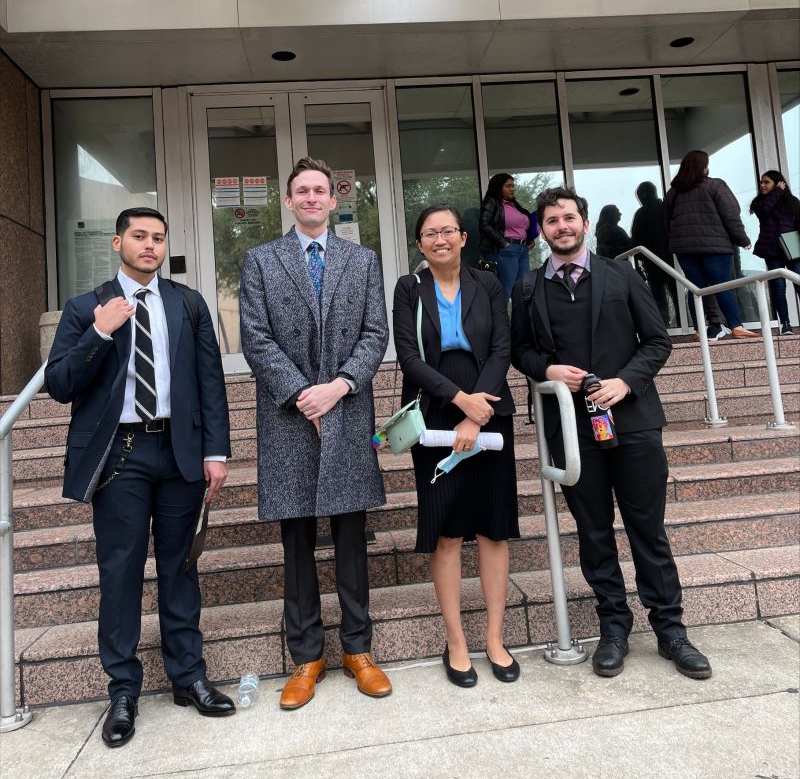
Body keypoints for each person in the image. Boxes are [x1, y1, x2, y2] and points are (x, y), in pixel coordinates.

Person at [45, 207, 234, 748]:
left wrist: (216, 451)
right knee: (120, 572)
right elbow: (60, 384)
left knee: (181, 568)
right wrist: (99, 332)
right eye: (139, 236)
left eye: (158, 238)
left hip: (179, 451)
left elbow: (210, 380)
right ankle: (123, 690)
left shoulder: (187, 303)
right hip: (120, 455)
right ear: (117, 243)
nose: (150, 245)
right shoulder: (85, 307)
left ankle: (188, 676)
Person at [510, 186, 711, 681]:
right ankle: (614, 629)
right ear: (542, 230)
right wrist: (548, 370)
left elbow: (658, 340)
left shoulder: (622, 273)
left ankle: (671, 631)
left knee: (648, 531)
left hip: (634, 421)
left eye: (568, 217)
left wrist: (626, 381)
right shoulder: (528, 287)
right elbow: (519, 351)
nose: (561, 226)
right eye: (552, 220)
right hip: (571, 429)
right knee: (594, 533)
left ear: (584, 222)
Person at [239, 156, 391, 710]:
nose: (310, 197)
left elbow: (375, 333)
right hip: (289, 418)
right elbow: (255, 336)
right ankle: (306, 656)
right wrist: (305, 394)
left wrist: (339, 387)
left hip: (346, 411)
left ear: (332, 199)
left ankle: (358, 649)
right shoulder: (261, 260)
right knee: (297, 541)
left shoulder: (362, 260)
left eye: (319, 190)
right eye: (301, 190)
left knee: (351, 536)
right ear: (288, 201)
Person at [393, 205, 520, 687]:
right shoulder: (409, 288)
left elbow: (502, 348)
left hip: (489, 405)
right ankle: (457, 641)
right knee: (446, 531)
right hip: (434, 409)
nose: (440, 239)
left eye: (448, 231)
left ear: (464, 238)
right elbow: (408, 357)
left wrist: (475, 409)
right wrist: (459, 401)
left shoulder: (487, 283)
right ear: (420, 244)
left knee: (492, 529)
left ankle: (494, 638)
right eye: (430, 233)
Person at [664, 149, 758, 339]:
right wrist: (742, 239)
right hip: (715, 247)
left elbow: (667, 221)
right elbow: (730, 215)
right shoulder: (715, 185)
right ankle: (736, 326)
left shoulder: (673, 192)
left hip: (685, 249)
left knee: (696, 289)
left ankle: (699, 330)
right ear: (703, 167)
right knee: (721, 286)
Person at [750, 170, 800, 335]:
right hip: (772, 251)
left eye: (767, 182)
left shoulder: (792, 202)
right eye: (761, 182)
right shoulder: (759, 203)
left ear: (778, 182)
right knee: (778, 287)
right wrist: (777, 191)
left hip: (792, 249)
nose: (762, 185)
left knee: (799, 283)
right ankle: (785, 323)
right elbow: (765, 210)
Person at [479, 173, 538, 301]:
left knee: (523, 293)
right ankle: (501, 315)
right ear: (498, 187)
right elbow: (484, 224)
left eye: (513, 186)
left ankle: (520, 316)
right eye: (508, 186)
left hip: (522, 251)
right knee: (504, 293)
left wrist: (529, 240)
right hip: (506, 251)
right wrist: (503, 243)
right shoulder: (492, 202)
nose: (512, 189)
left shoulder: (514, 206)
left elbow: (522, 227)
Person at [629, 181, 679, 329]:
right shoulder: (666, 209)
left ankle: (663, 326)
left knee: (659, 296)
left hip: (653, 261)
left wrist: (639, 257)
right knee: (676, 294)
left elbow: (636, 239)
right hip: (671, 258)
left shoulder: (642, 213)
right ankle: (682, 322)